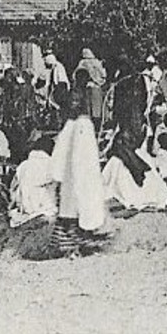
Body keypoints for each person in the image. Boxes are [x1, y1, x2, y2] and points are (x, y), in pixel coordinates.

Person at [47, 70, 110, 256]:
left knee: (76, 209)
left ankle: (74, 244)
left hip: (77, 175)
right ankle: (72, 244)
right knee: (75, 210)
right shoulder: (77, 124)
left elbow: (76, 155)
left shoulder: (81, 124)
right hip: (74, 176)